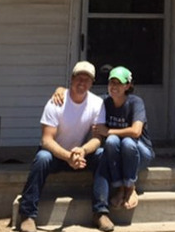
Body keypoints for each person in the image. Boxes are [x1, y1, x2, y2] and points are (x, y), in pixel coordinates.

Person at [18, 61, 114, 232]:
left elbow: (98, 138)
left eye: (87, 79)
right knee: (42, 158)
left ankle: (100, 212)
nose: (82, 83)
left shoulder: (97, 103)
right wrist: (68, 156)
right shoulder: (56, 101)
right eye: (79, 78)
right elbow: (46, 140)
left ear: (92, 83)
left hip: (80, 155)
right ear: (71, 79)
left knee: (102, 154)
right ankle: (27, 215)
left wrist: (82, 151)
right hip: (56, 154)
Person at [52, 66, 154, 210]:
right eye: (111, 82)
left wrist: (108, 131)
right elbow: (82, 94)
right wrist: (61, 90)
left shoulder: (135, 102)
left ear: (128, 85)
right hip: (119, 155)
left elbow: (136, 131)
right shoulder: (104, 101)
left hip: (140, 153)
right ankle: (119, 188)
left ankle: (130, 187)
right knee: (111, 142)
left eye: (119, 83)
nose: (114, 86)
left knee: (127, 142)